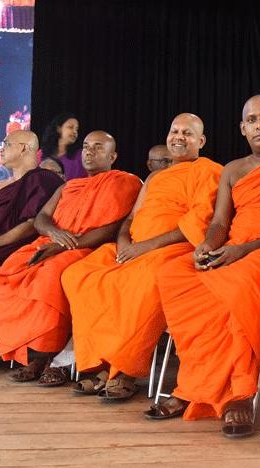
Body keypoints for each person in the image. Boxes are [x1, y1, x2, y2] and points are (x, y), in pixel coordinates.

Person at [151, 95, 260, 438]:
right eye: (252, 120)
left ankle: (239, 395)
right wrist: (207, 245)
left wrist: (243, 250)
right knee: (175, 274)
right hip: (234, 247)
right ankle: (197, 385)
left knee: (235, 287)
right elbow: (220, 222)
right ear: (243, 128)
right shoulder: (232, 169)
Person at [61, 114, 221, 400]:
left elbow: (198, 223)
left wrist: (145, 247)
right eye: (174, 131)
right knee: (78, 275)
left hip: (173, 248)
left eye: (187, 133)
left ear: (201, 141)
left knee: (144, 281)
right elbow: (131, 218)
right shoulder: (155, 177)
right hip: (134, 246)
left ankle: (125, 371)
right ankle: (100, 362)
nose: (179, 137)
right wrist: (125, 242)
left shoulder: (210, 171)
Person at [0, 131, 141, 385]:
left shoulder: (126, 182)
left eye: (98, 147)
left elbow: (114, 226)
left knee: (49, 278)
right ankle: (27, 349)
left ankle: (44, 356)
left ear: (113, 156)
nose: (89, 151)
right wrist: (54, 233)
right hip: (50, 243)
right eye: (86, 146)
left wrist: (65, 245)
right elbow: (42, 218)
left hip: (85, 248)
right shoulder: (69, 185)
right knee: (6, 276)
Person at [0, 130, 64, 266]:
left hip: (14, 251)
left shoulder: (43, 179)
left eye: (7, 144)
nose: (1, 149)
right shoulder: (1, 185)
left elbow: (32, 224)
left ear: (23, 148)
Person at [41, 113, 86, 181]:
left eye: (76, 129)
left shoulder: (82, 155)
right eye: (70, 127)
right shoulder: (41, 154)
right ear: (58, 128)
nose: (75, 132)